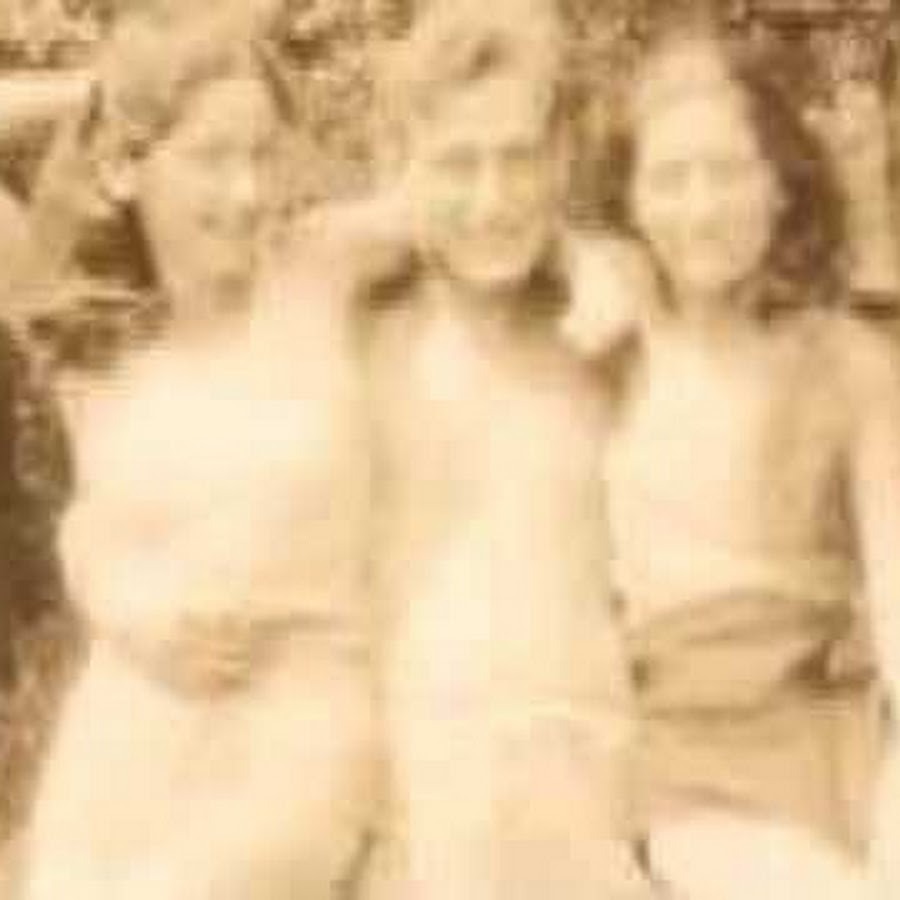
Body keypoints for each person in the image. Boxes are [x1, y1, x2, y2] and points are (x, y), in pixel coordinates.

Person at [21, 18, 377, 900]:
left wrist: (595, 272)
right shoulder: (92, 336)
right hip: (135, 708)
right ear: (127, 165)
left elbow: (483, 196)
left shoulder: (323, 270)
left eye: (262, 154)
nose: (247, 192)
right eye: (211, 157)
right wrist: (97, 95)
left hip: (300, 723)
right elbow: (88, 531)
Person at [334, 3, 651, 898]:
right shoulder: (354, 333)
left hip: (588, 792)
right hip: (412, 806)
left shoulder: (612, 321)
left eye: (519, 159)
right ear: (401, 166)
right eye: (456, 163)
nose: (492, 200)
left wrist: (585, 263)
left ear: (561, 160)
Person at [580, 27, 900, 900]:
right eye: (670, 178)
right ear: (630, 200)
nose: (702, 209)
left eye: (728, 172)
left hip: (842, 740)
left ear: (781, 184)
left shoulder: (850, 365)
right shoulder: (606, 360)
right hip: (691, 765)